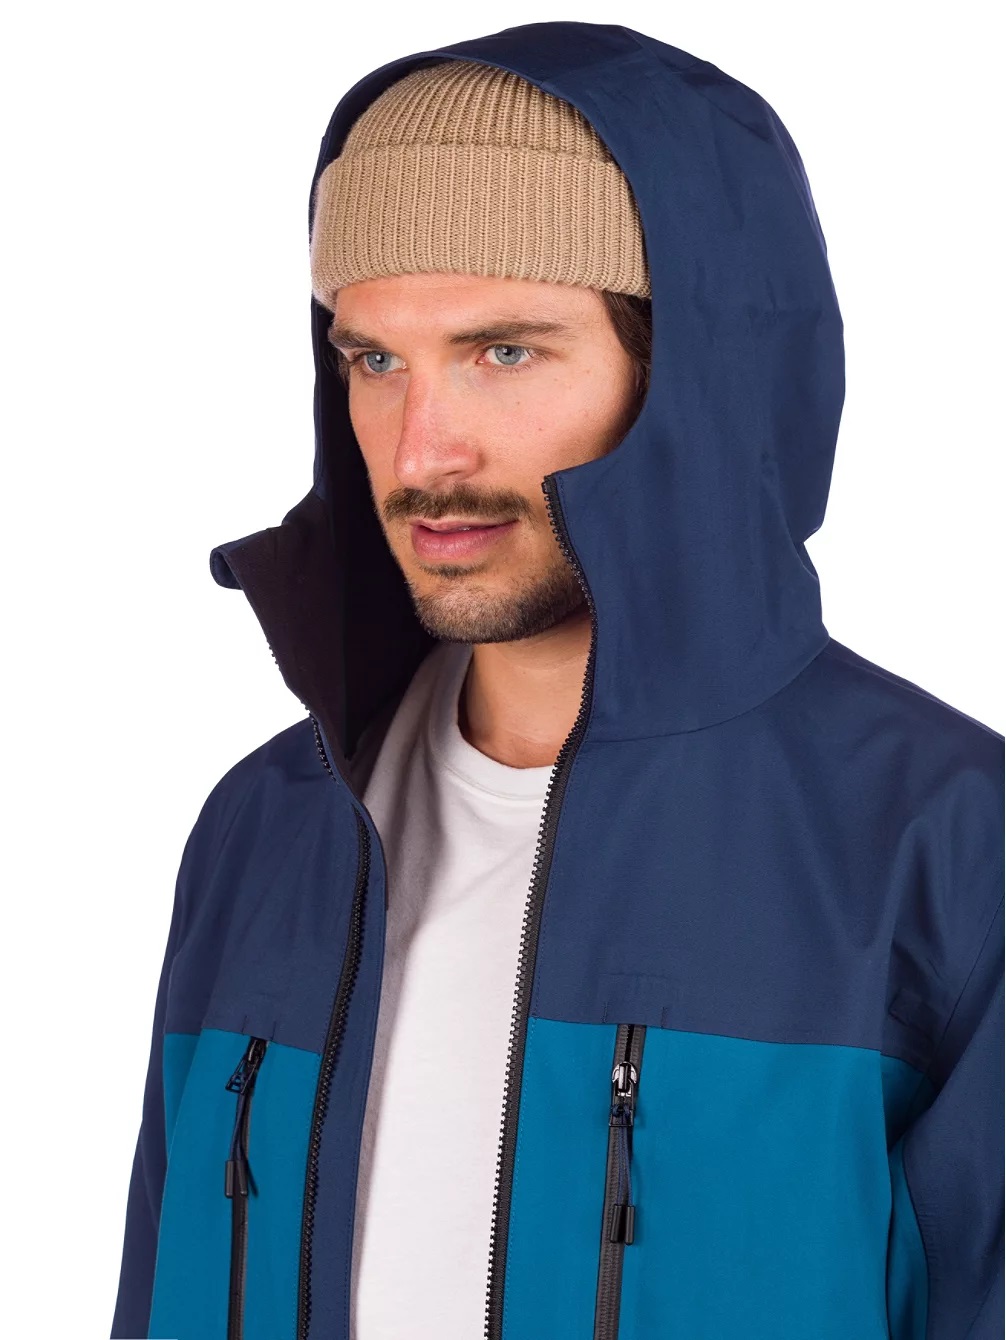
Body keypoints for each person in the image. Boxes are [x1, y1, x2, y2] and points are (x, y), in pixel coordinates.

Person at [110, 21, 1004, 1340]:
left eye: (504, 352)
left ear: (695, 380)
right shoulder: (265, 825)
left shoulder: (944, 841)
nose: (422, 450)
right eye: (374, 360)